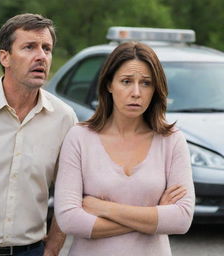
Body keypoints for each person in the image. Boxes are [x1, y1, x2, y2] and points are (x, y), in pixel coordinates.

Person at [54, 41, 195, 255]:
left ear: (156, 89)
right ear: (109, 84)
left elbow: (182, 219)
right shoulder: (79, 137)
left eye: (146, 83)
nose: (136, 92)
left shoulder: (172, 140)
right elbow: (69, 220)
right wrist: (154, 216)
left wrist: (104, 208)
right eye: (126, 81)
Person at [0, 13, 77, 256]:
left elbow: (70, 192)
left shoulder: (64, 118)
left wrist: (54, 246)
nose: (41, 56)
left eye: (47, 49)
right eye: (29, 47)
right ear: (4, 57)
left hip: (32, 251)